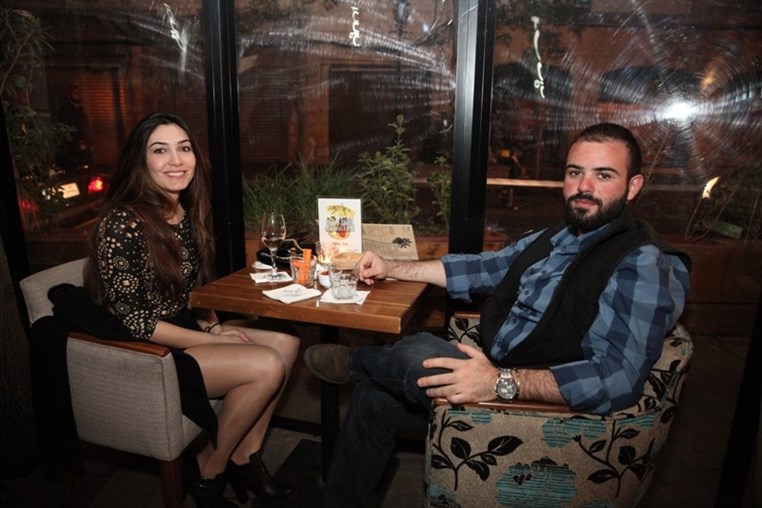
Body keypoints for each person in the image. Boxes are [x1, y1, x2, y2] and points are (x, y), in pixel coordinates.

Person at [303, 122, 691, 508]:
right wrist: (392, 267)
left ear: (633, 186)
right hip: (501, 368)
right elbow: (486, 267)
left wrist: (499, 382)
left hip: (540, 410)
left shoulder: (641, 264)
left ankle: (357, 362)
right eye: (575, 172)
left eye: (603, 175)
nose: (584, 186)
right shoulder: (562, 235)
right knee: (373, 400)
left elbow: (618, 377)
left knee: (417, 352)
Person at [84, 112, 298, 508]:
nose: (175, 160)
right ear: (140, 160)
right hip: (147, 352)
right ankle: (209, 472)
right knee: (267, 364)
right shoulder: (122, 223)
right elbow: (139, 323)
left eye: (183, 148)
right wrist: (211, 340)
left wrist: (214, 329)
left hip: (181, 329)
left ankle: (245, 458)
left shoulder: (184, 212)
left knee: (286, 342)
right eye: (160, 150)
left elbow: (193, 291)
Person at [56, 84, 94, 170]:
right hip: (73, 153)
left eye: (80, 93)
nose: (79, 95)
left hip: (84, 150)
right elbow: (65, 131)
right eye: (76, 93)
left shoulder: (80, 111)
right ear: (69, 96)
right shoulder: (65, 112)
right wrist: (76, 145)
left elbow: (85, 128)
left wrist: (89, 143)